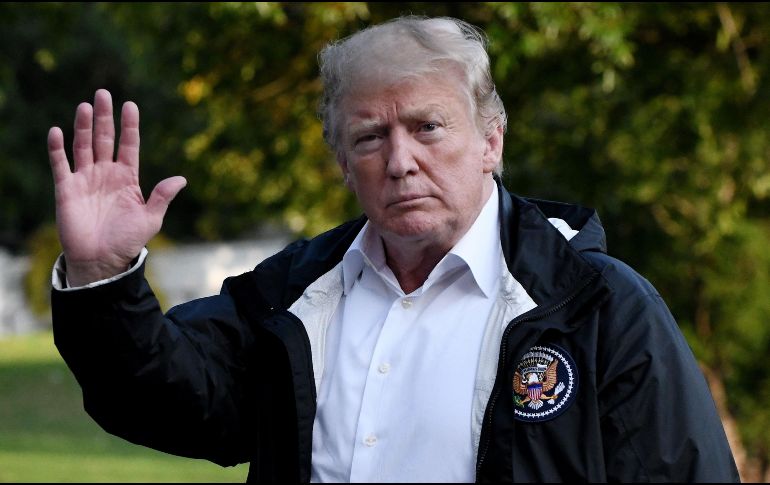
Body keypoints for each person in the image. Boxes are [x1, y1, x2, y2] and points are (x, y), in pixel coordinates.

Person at [48, 16, 739, 483]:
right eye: (370, 137)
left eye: (428, 126)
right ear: (343, 163)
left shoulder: (599, 306)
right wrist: (103, 277)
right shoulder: (292, 298)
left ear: (491, 140)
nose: (401, 160)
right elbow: (162, 395)